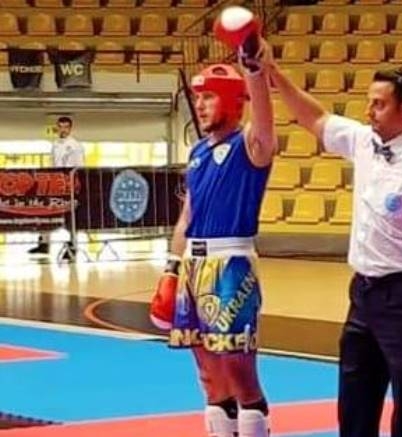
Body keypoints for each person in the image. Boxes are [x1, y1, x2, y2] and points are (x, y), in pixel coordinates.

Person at [264, 59, 402, 436]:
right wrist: (274, 74)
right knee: (355, 395)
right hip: (363, 291)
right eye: (369, 102)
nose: (369, 111)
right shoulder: (363, 140)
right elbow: (315, 118)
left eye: (379, 104)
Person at [148, 34, 277, 437]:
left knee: (239, 371)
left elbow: (265, 126)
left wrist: (254, 72)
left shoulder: (250, 145)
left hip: (231, 263)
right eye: (198, 97)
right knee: (208, 375)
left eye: (209, 97)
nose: (200, 105)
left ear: (234, 102)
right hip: (193, 263)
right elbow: (187, 215)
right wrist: (171, 269)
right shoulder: (198, 153)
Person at [28, 116, 84, 260]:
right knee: (46, 212)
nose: (63, 130)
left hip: (69, 185)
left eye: (66, 127)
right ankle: (44, 243)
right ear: (57, 128)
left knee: (71, 218)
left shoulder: (75, 146)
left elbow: (79, 167)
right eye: (60, 127)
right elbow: (52, 163)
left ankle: (73, 246)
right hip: (55, 183)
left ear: (70, 128)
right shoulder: (55, 144)